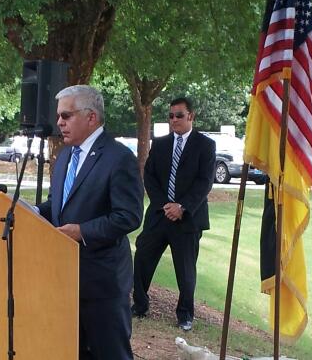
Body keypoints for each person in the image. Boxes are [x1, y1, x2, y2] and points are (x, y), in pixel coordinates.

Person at [37, 85, 144, 359]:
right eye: (59, 116)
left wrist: (82, 232)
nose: (59, 122)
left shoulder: (118, 157)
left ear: (91, 117)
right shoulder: (64, 157)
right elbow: (57, 204)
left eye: (66, 115)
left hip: (103, 284)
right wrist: (33, 214)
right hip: (65, 279)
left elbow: (129, 215)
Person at [132, 97, 215, 331]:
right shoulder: (160, 144)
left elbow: (204, 182)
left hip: (188, 219)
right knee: (142, 258)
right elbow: (150, 176)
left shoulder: (205, 145)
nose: (174, 120)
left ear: (191, 116)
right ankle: (139, 305)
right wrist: (165, 205)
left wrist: (182, 207)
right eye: (170, 116)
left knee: (186, 270)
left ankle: (185, 314)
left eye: (179, 115)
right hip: (159, 215)